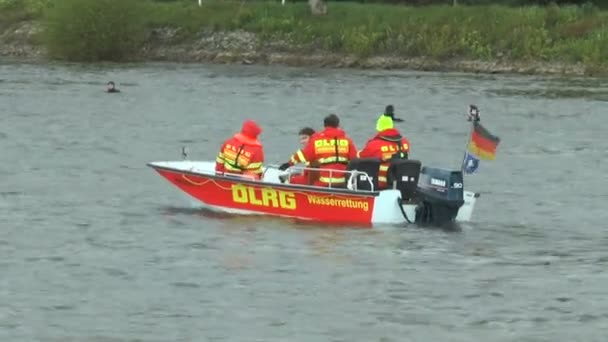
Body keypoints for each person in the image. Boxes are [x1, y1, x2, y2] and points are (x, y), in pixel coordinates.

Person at [279, 114, 357, 187]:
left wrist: (288, 164)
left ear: (324, 125)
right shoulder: (347, 141)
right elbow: (355, 159)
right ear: (338, 125)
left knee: (294, 180)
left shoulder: (317, 140)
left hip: (324, 182)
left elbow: (303, 155)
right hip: (342, 182)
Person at [358, 114, 411, 190]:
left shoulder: (374, 145)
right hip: (400, 182)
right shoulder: (405, 143)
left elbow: (361, 157)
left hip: (380, 185)